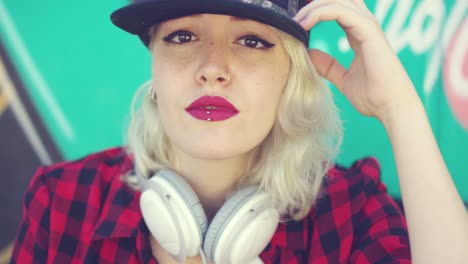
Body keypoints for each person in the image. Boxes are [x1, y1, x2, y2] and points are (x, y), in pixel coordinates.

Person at [10, 0, 468, 263]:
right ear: (155, 64)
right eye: (183, 36)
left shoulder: (352, 215)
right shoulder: (64, 201)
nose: (212, 69)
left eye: (252, 41)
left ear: (290, 76)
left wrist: (398, 109)